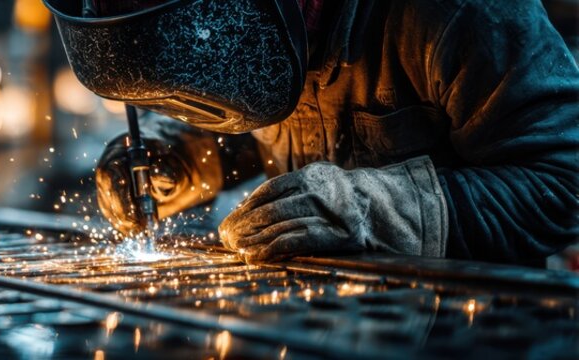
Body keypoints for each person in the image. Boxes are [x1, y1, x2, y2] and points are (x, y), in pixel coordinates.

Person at [44, 0, 579, 266]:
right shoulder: (262, 35)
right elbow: (248, 114)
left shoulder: (457, 14)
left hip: (471, 332)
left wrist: (376, 209)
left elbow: (564, 180)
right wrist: (181, 156)